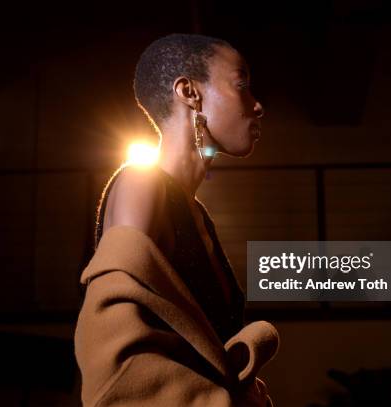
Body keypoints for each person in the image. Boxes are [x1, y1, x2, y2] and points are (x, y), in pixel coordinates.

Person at [75, 33, 279, 406]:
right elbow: (115, 355)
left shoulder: (195, 212)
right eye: (242, 84)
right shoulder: (142, 183)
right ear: (189, 92)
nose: (258, 104)